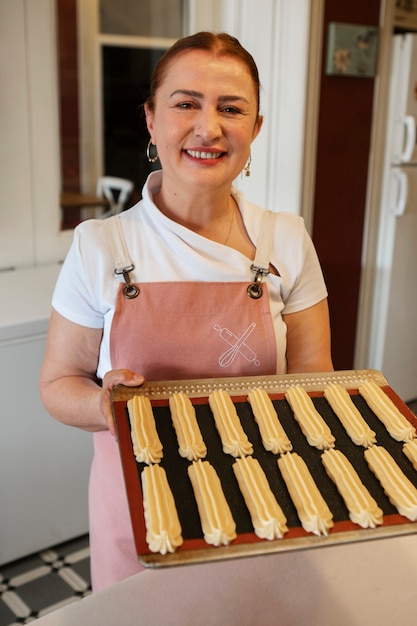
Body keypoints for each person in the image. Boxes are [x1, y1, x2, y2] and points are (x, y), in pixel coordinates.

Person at [40, 31, 333, 591]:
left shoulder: (286, 240)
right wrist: (106, 406)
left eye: (231, 108)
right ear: (151, 120)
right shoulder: (100, 246)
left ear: (256, 128)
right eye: (186, 104)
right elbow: (57, 383)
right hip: (137, 506)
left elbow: (314, 381)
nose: (209, 127)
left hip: (263, 499)